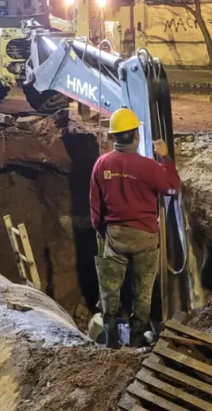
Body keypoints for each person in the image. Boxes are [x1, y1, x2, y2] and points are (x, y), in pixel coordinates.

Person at [89, 108, 181, 349]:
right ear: (136, 136)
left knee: (109, 292)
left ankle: (110, 341)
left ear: (114, 137)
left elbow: (95, 204)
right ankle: (138, 340)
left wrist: (101, 231)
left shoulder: (102, 164)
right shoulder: (149, 166)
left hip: (114, 237)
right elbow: (173, 188)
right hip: (145, 239)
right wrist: (165, 158)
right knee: (142, 293)